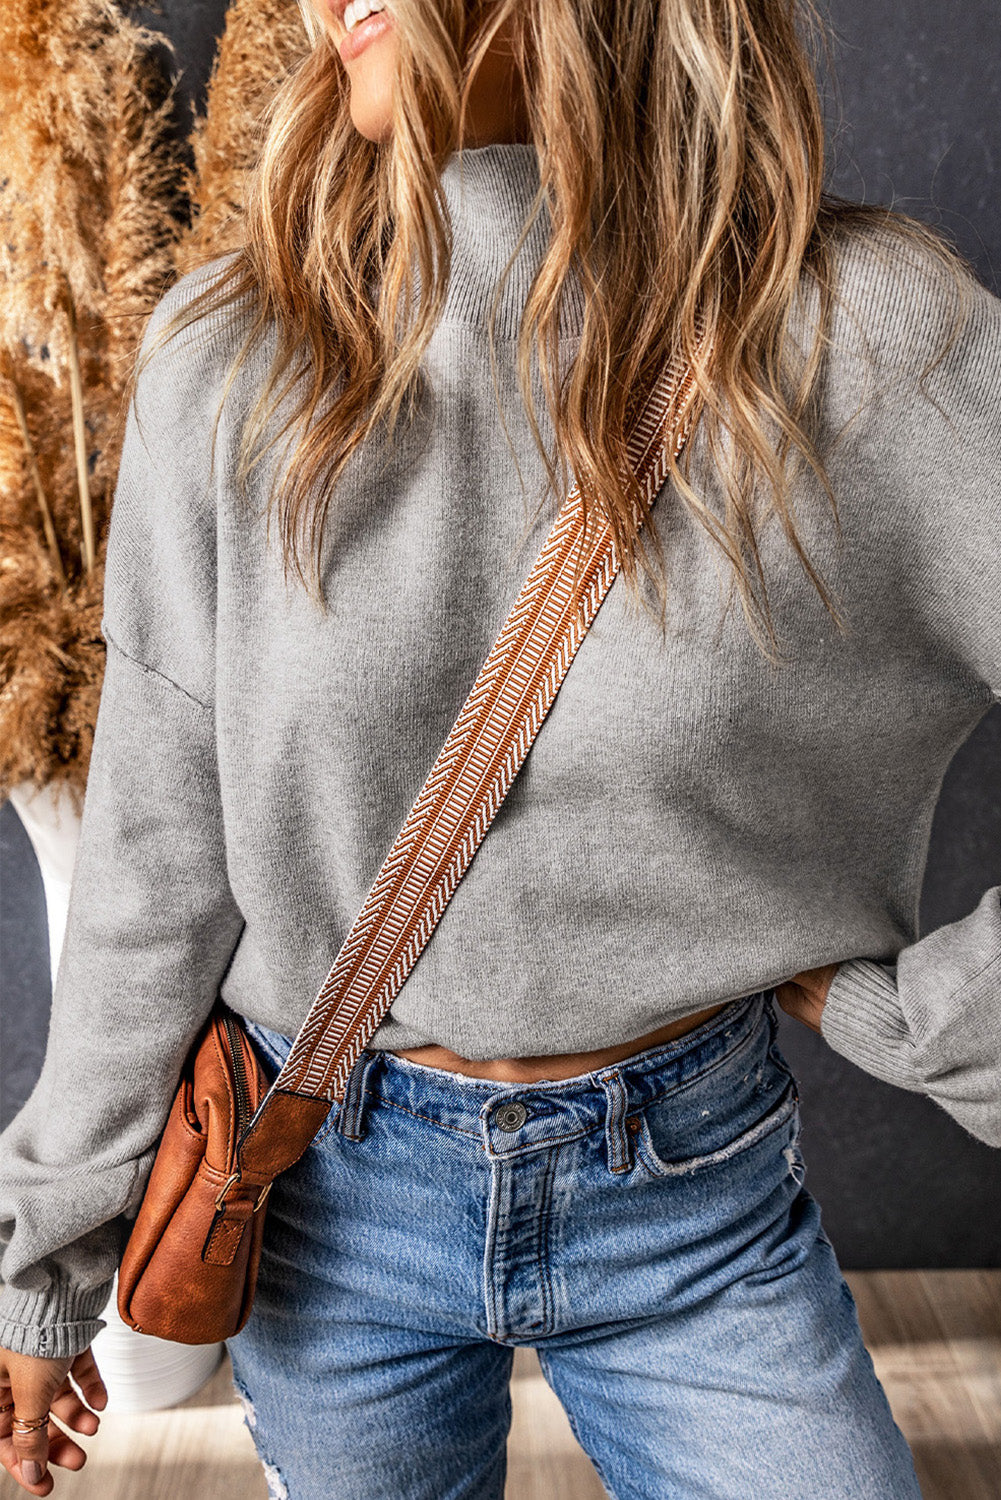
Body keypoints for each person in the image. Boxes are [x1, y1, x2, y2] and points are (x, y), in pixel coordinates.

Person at [1, 0, 999, 1493]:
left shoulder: (867, 338)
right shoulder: (231, 352)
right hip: (322, 1191)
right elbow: (156, 858)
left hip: (687, 1189)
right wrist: (45, 1259)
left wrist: (925, 1020)